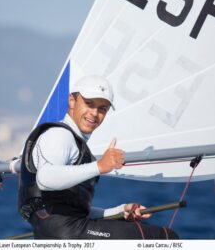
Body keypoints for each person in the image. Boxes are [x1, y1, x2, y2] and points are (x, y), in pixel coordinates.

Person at [18, 75, 178, 239]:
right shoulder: (60, 135)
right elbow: (45, 178)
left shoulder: (70, 140)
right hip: (67, 232)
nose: (94, 113)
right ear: (72, 101)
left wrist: (120, 211)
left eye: (102, 109)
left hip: (57, 231)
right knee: (165, 237)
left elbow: (73, 212)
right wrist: (99, 166)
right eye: (89, 104)